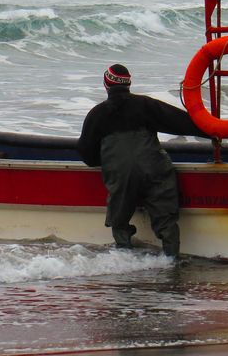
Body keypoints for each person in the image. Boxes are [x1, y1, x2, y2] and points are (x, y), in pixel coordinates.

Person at [76, 64, 206, 257]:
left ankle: (126, 262)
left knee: (119, 220)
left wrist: (109, 162)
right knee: (166, 221)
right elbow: (181, 122)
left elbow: (87, 155)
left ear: (106, 85)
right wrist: (212, 129)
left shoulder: (97, 115)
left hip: (121, 176)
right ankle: (172, 263)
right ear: (129, 84)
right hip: (155, 170)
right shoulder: (145, 105)